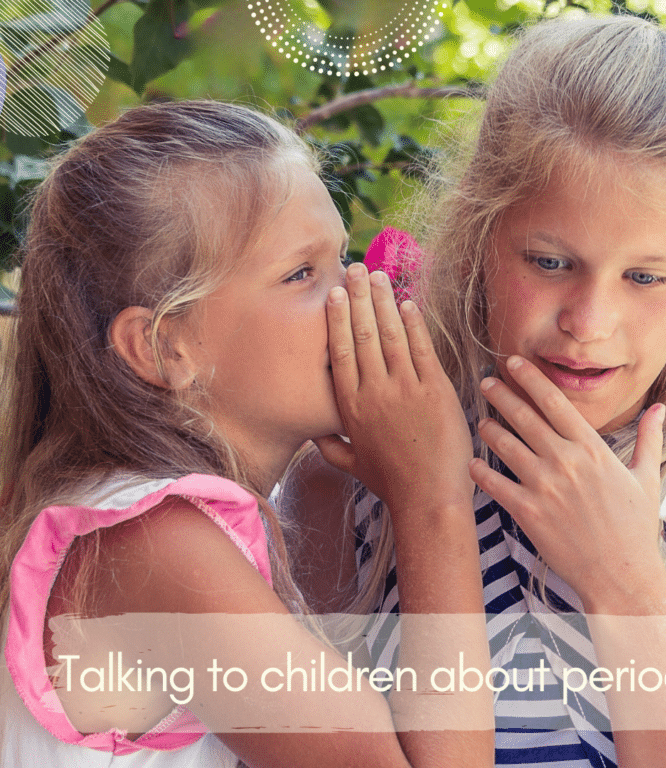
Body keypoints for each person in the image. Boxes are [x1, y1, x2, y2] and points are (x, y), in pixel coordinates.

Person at [291, 15, 666, 768]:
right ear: (481, 235)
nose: (588, 321)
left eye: (644, 277)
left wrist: (626, 590)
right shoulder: (356, 467)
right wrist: (426, 503)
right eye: (549, 262)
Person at [0, 100, 494, 767]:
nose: (359, 288)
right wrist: (433, 498)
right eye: (301, 274)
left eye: (342, 256)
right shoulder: (153, 547)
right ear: (163, 347)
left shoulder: (155, 524)